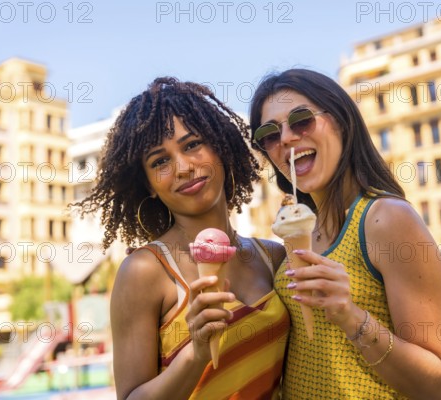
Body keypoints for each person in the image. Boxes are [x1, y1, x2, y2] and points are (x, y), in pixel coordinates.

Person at [249, 69, 441, 399]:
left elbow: (440, 385)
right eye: (269, 134)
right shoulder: (299, 234)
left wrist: (350, 315)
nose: (286, 138)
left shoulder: (386, 219)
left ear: (342, 121)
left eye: (301, 120)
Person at [75, 77, 288, 399]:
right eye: (160, 161)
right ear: (147, 184)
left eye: (192, 145)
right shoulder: (144, 271)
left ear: (220, 147)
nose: (183, 167)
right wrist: (195, 353)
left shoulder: (273, 257)